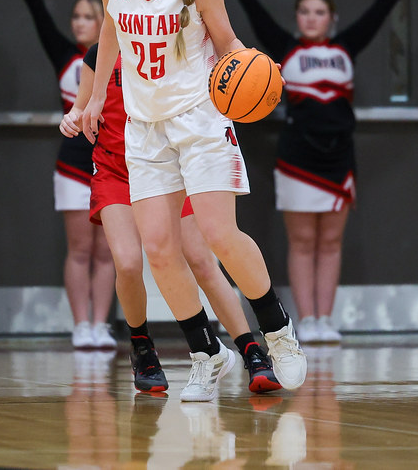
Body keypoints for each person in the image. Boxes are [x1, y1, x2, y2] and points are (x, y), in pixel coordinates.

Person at [81, 0, 307, 393]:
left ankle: (278, 330)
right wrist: (96, 98)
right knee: (159, 249)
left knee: (218, 235)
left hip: (199, 121)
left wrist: (258, 72)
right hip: (145, 129)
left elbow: (227, 44)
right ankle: (208, 354)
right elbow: (111, 33)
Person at [62, 43, 282, 398]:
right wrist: (73, 116)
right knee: (129, 263)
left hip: (166, 165)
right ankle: (143, 348)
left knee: (201, 259)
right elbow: (81, 106)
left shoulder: (169, 43)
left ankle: (250, 350)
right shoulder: (98, 54)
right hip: (116, 169)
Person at [233, 0, 406, 343]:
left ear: (332, 17)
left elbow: (380, 11)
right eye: (305, 11)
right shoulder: (285, 48)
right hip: (297, 157)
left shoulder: (346, 47)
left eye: (319, 11)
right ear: (297, 17)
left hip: (339, 157)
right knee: (301, 241)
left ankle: (325, 319)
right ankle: (306, 319)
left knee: (330, 242)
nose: (312, 18)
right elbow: (255, 12)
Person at [16, 0, 116, 349]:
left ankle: (101, 324)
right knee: (80, 248)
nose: (78, 23)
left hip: (111, 162)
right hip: (73, 165)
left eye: (88, 17)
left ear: (105, 20)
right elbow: (40, 16)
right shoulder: (65, 55)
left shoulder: (121, 55)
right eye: (75, 16)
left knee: (107, 251)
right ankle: (80, 325)